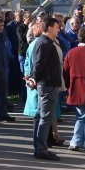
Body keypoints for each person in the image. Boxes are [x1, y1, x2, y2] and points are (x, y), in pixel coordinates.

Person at [27, 17, 63, 161]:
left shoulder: (47, 42)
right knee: (45, 117)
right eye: (56, 27)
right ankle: (41, 148)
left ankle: (39, 147)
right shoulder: (44, 43)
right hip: (47, 85)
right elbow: (38, 65)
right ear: (49, 28)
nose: (58, 29)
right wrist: (34, 78)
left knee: (41, 116)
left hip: (48, 84)